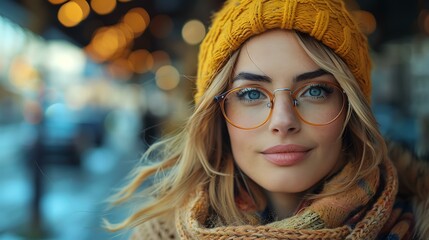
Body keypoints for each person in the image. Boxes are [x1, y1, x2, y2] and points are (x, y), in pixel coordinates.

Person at [105, 0, 429, 239]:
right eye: (250, 94)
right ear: (219, 115)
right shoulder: (160, 235)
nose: (283, 121)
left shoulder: (419, 224)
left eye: (315, 90)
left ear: (350, 107)